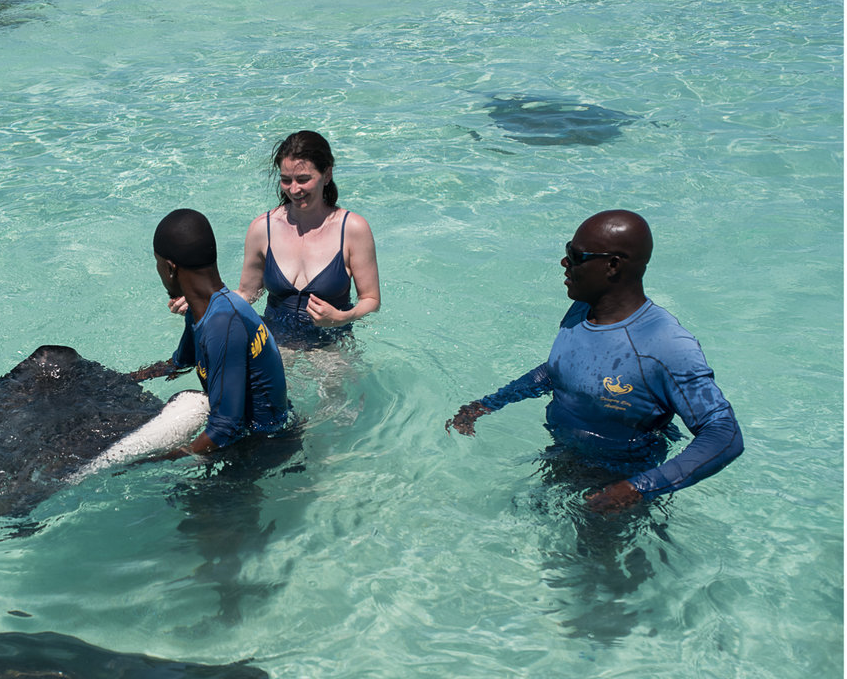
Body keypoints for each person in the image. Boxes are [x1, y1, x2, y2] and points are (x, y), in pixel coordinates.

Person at [445, 210, 743, 514]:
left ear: (612, 265)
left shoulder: (666, 345)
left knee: (600, 561)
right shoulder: (581, 311)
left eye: (575, 256)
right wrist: (487, 405)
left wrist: (637, 488)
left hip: (617, 480)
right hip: (563, 454)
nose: (564, 263)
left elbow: (723, 435)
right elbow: (558, 369)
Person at [131, 208, 293, 458]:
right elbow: (179, 364)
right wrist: (126, 380)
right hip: (246, 436)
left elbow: (225, 429)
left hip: (265, 446)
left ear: (171, 268)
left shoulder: (223, 323)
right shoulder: (203, 310)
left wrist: (146, 462)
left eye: (157, 263)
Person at [221, 130, 382, 351]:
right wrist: (204, 303)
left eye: (303, 179)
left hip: (331, 340)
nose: (294, 189)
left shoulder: (353, 229)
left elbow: (371, 300)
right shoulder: (262, 228)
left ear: (327, 175)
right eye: (286, 180)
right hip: (275, 339)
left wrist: (341, 317)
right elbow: (248, 294)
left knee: (335, 380)